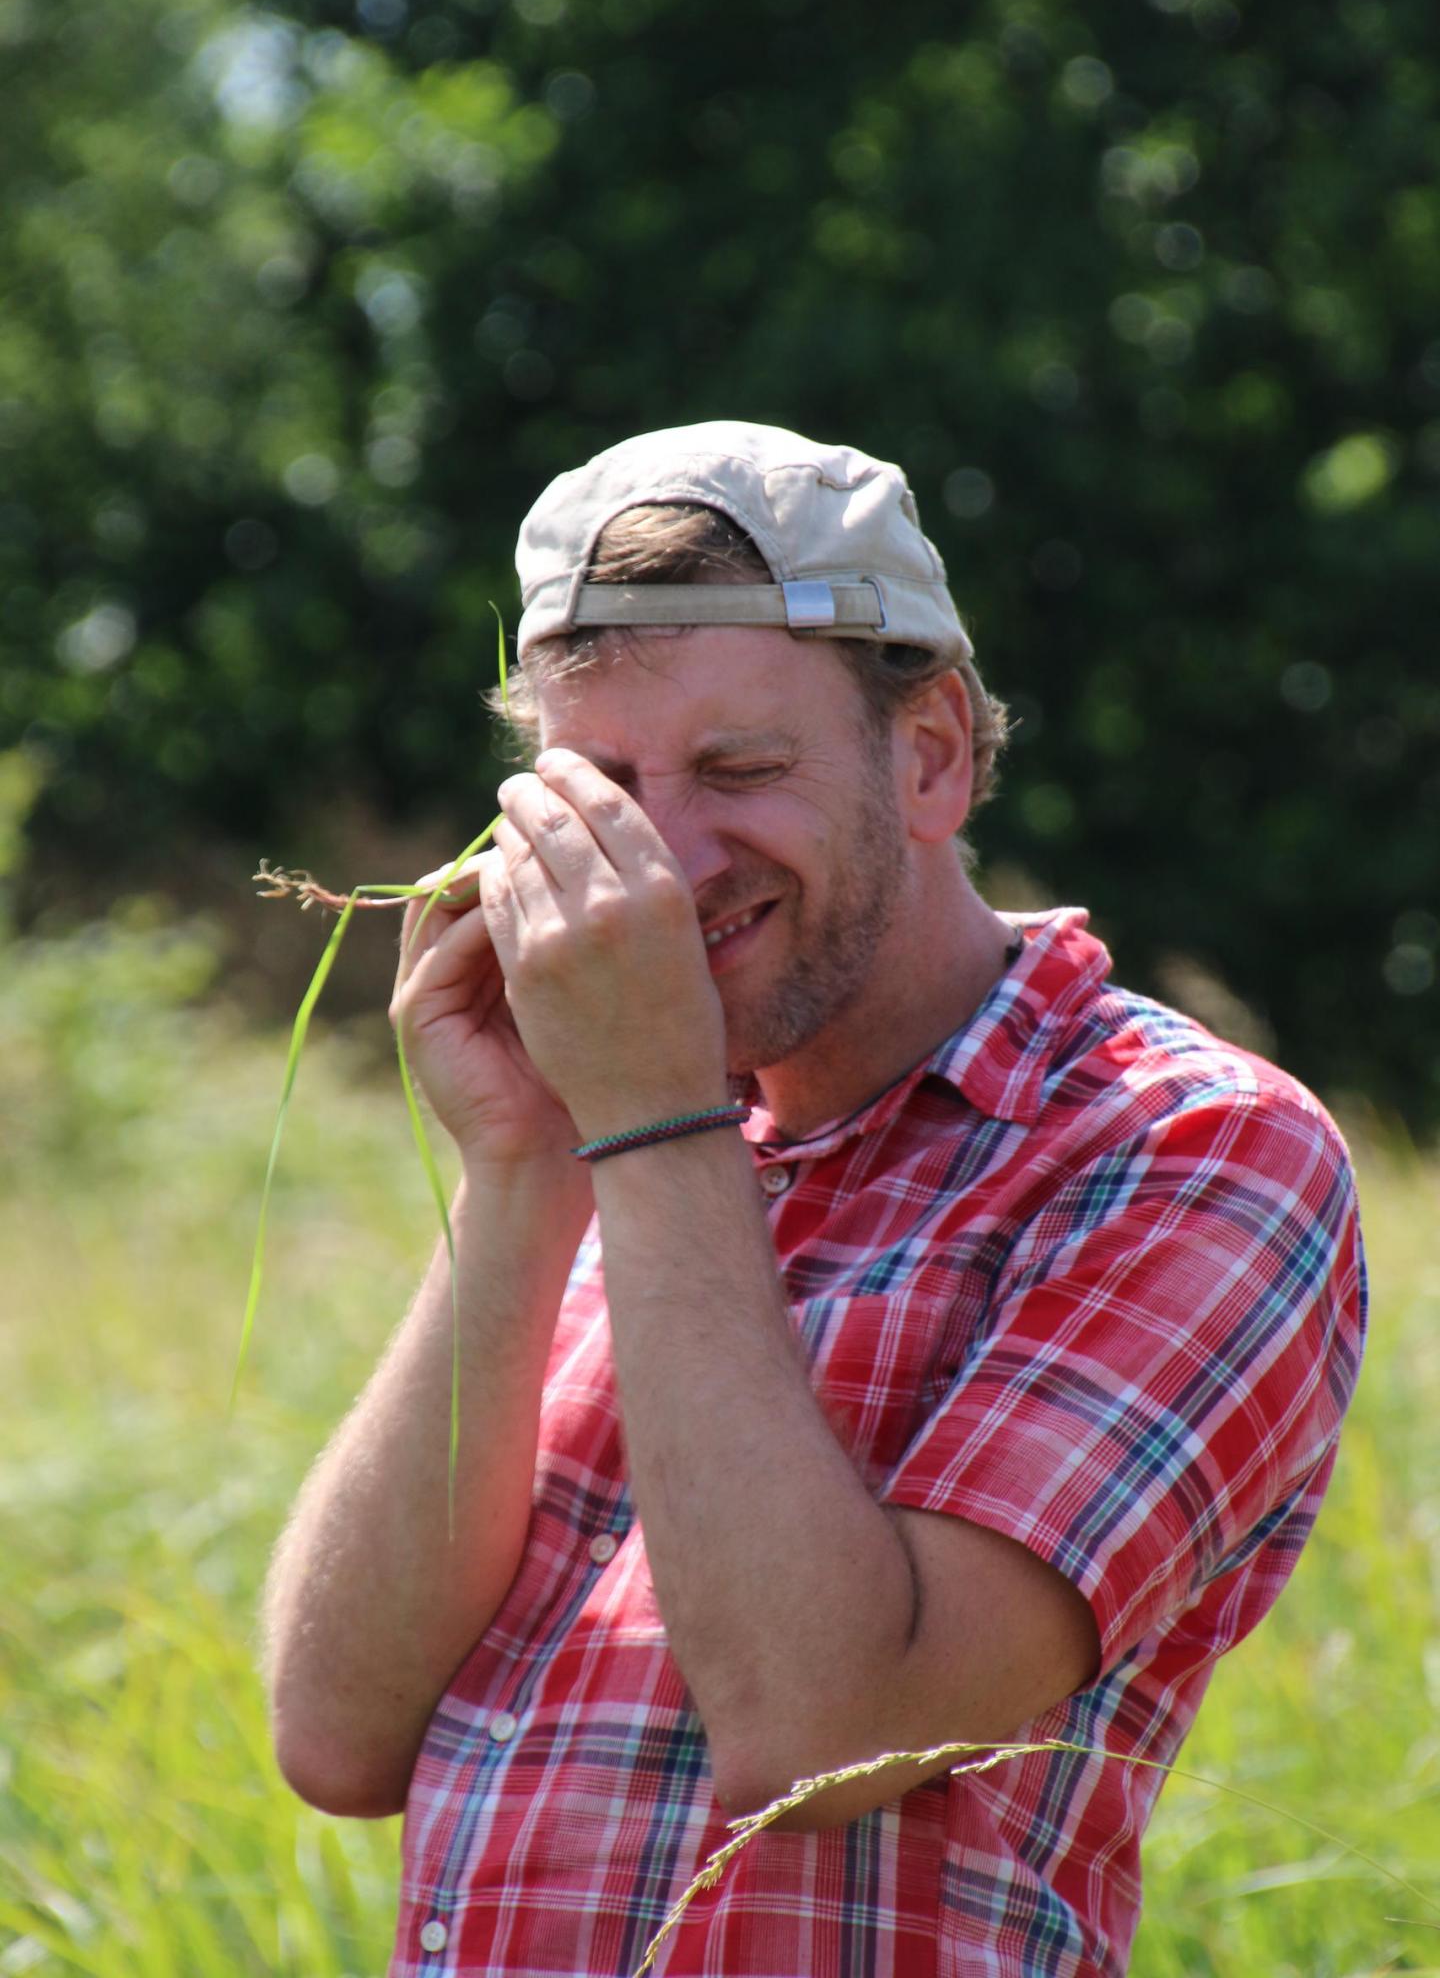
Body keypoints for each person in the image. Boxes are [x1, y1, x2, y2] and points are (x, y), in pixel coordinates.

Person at [262, 420, 1366, 1978]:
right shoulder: (637, 1128)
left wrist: (647, 1126)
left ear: (932, 753)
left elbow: (824, 1736)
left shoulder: (1184, 1149)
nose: (666, 860)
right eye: (603, 787)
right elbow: (337, 1735)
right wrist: (521, 1169)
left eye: (740, 770)